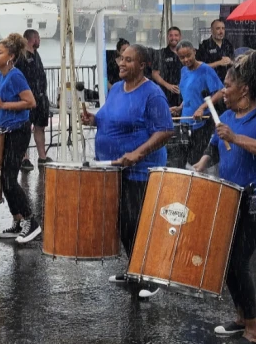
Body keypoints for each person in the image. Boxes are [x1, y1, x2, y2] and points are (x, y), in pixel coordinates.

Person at [192, 49, 256, 344]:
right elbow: (213, 147)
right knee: (226, 259)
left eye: (228, 86)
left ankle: (254, 329)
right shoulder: (228, 116)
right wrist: (201, 164)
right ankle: (240, 317)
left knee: (238, 260)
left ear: (244, 89)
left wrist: (236, 139)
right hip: (230, 197)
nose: (224, 91)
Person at [81, 43, 173, 298]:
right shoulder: (115, 89)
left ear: (142, 65)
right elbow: (110, 117)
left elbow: (165, 130)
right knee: (122, 222)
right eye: (121, 58)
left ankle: (152, 276)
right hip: (114, 168)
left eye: (129, 60)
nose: (121, 63)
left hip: (141, 169)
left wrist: (138, 153)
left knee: (139, 223)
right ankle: (134, 268)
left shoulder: (152, 94)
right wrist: (93, 119)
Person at [0, 33, 40, 243]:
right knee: (4, 180)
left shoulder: (16, 75)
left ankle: (31, 221)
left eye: (0, 53)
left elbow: (31, 102)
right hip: (5, 130)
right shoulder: (0, 75)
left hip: (19, 131)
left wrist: (5, 106)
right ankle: (17, 220)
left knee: (8, 178)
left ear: (11, 56)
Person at [170, 40, 224, 169]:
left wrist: (202, 107)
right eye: (182, 57)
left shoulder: (205, 69)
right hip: (185, 123)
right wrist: (180, 107)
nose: (186, 59)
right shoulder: (183, 70)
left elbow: (220, 92)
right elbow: (189, 94)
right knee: (184, 163)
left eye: (188, 55)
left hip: (202, 124)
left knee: (198, 162)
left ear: (194, 52)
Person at [15, 29, 52, 170]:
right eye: (38, 38)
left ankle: (42, 156)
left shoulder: (36, 54)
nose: (40, 40)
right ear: (32, 38)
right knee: (26, 128)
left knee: (40, 127)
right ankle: (24, 158)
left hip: (41, 97)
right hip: (28, 98)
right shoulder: (21, 56)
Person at [152, 26, 183, 108]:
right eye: (171, 35)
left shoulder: (185, 53)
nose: (173, 38)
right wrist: (168, 86)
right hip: (166, 94)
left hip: (184, 94)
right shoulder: (161, 53)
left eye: (176, 35)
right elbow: (155, 74)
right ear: (167, 37)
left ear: (180, 37)